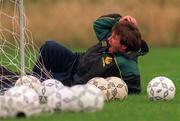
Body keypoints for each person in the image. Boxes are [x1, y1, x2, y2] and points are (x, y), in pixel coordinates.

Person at [0, 13, 149, 94]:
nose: (109, 38)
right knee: (50, 47)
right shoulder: (112, 40)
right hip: (74, 61)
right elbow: (98, 24)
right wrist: (120, 21)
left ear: (123, 47)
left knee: (39, 82)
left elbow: (134, 86)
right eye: (112, 34)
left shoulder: (126, 63)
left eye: (114, 37)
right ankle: (33, 82)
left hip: (75, 80)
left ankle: (29, 87)